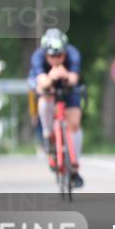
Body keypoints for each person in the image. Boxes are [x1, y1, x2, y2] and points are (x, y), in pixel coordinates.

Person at [29, 28, 84, 187]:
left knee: (74, 123)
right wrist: (51, 77)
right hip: (44, 83)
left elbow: (73, 79)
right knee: (45, 96)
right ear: (45, 53)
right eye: (52, 56)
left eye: (59, 55)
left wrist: (65, 75)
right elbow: (42, 82)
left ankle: (74, 165)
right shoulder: (37, 57)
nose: (56, 59)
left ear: (65, 52)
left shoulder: (73, 54)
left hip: (67, 87)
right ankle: (47, 133)